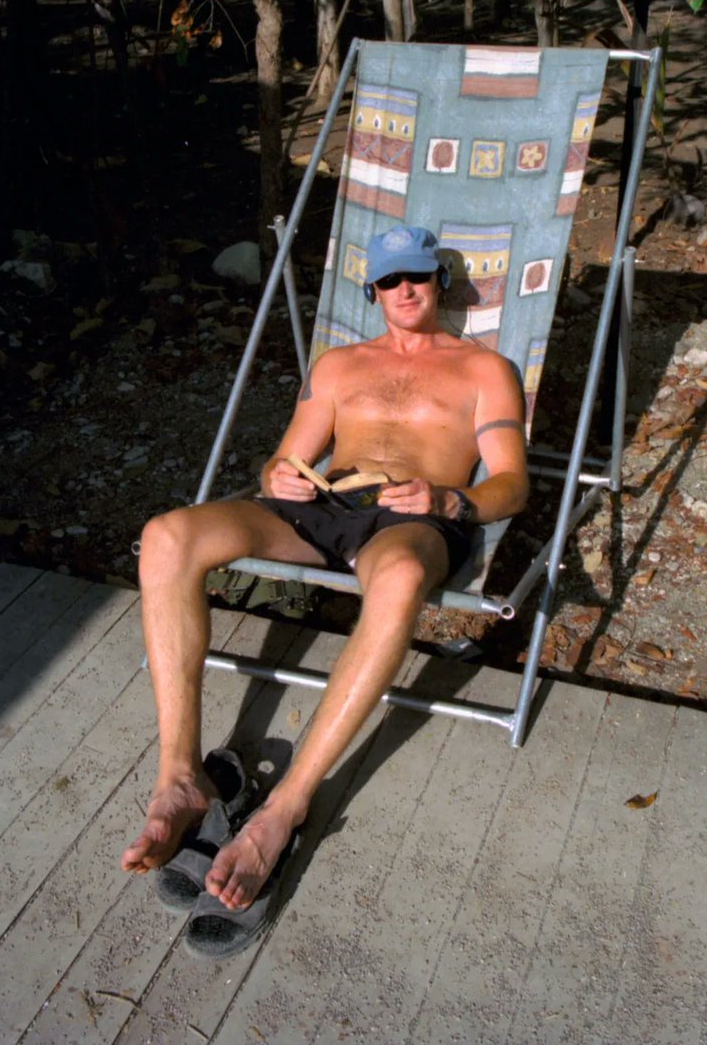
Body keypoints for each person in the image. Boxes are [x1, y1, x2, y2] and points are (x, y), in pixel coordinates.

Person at [121, 225, 528, 919]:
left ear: (438, 286)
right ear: (373, 291)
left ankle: (283, 809)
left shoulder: (484, 371)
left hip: (412, 520)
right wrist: (279, 475)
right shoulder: (338, 365)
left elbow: (512, 486)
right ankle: (180, 779)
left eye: (418, 278)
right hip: (322, 508)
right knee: (165, 536)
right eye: (391, 280)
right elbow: (278, 463)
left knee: (398, 579)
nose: (406, 290)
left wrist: (449, 498)